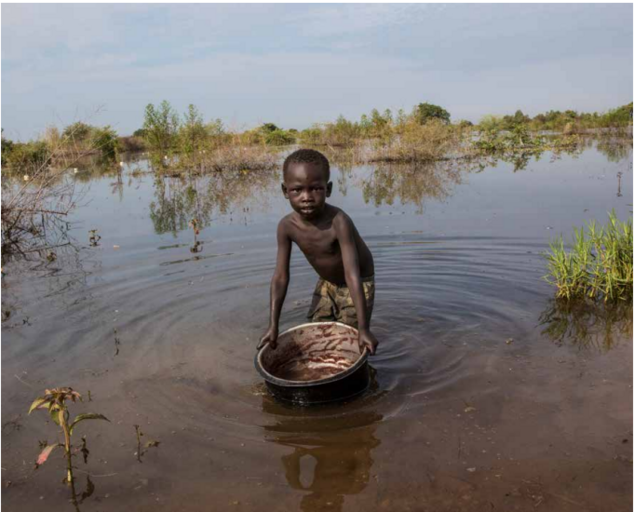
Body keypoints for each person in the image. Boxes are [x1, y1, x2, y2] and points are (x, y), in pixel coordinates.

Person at [257, 149, 379, 355]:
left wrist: (364, 328)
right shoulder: (286, 226)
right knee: (317, 331)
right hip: (327, 282)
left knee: (349, 339)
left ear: (328, 189)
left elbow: (352, 274)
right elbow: (280, 277)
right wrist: (273, 325)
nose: (307, 197)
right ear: (285, 191)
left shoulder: (339, 222)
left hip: (358, 280)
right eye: (297, 190)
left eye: (315, 189)